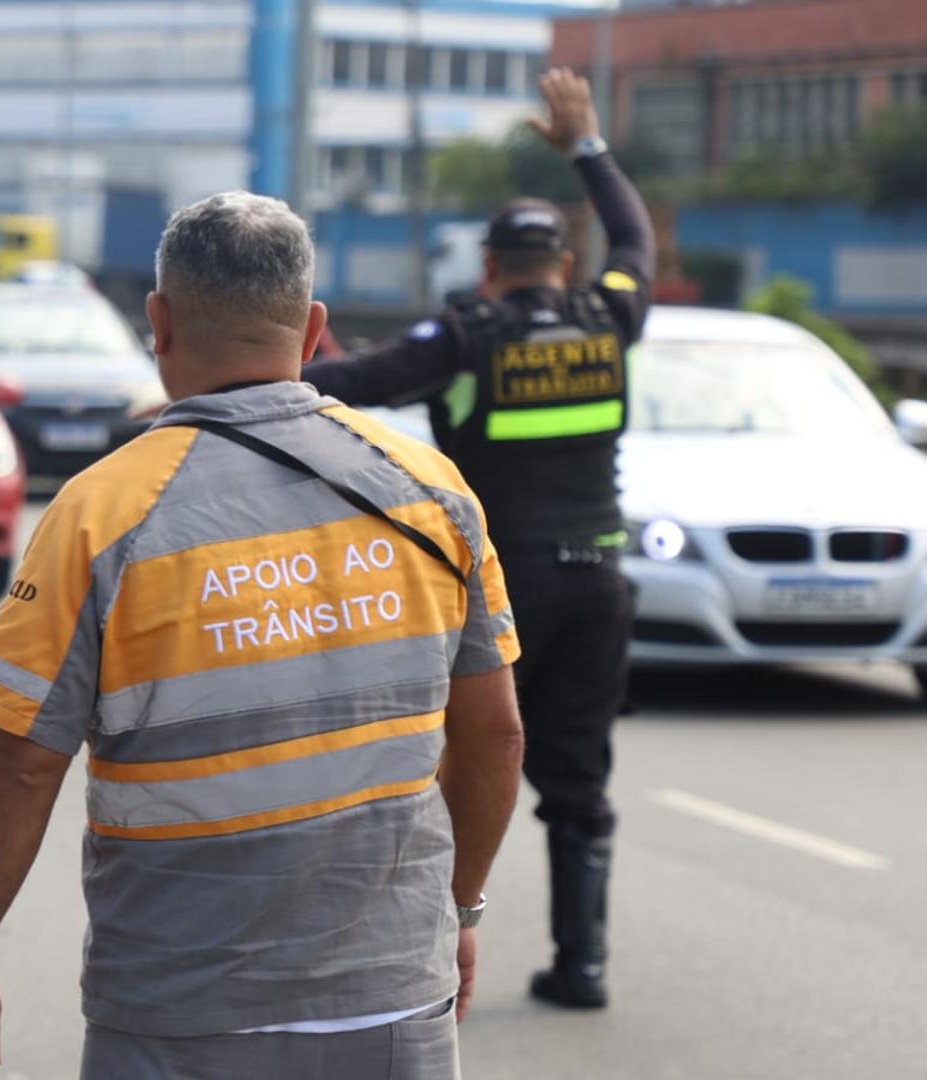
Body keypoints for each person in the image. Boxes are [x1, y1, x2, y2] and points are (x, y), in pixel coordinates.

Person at [0, 191, 527, 1080]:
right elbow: (494, 733)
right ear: (314, 329)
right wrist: (459, 911)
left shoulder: (101, 513)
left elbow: (24, 764)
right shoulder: (429, 489)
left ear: (158, 322)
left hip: (178, 1012)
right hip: (395, 995)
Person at [305, 68, 654, 1011]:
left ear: (492, 266)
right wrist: (588, 143)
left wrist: (298, 342)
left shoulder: (468, 334)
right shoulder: (611, 314)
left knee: (460, 765)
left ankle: (430, 956)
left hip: (504, 593)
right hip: (600, 582)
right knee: (577, 782)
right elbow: (635, 237)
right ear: (565, 263)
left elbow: (357, 382)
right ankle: (582, 967)